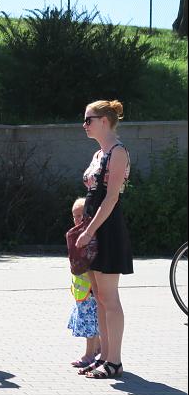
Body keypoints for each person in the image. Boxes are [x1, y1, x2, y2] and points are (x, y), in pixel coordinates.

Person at [76, 100, 132, 379]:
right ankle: (103, 357)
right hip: (93, 229)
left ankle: (115, 361)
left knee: (109, 298)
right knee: (98, 297)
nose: (84, 125)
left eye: (89, 119)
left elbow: (111, 199)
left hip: (107, 232)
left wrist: (89, 231)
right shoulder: (99, 154)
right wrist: (83, 226)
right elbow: (90, 196)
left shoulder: (117, 152)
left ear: (104, 121)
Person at [67, 197, 101, 369]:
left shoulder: (90, 237)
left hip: (90, 291)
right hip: (81, 291)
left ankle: (89, 355)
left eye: (81, 215)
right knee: (93, 323)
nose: (78, 219)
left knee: (90, 325)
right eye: (75, 216)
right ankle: (98, 347)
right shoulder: (76, 234)